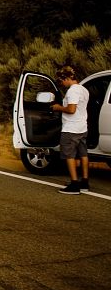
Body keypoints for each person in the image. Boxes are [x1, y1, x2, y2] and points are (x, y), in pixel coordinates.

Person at [53, 65, 90, 194]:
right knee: (83, 154)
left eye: (61, 80)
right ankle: (85, 182)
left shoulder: (73, 91)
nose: (61, 83)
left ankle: (74, 185)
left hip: (71, 129)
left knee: (69, 155)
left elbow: (71, 109)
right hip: (82, 127)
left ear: (67, 77)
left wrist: (58, 107)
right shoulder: (84, 90)